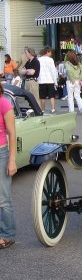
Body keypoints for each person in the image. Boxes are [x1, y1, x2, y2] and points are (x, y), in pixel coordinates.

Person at [0, 83, 17, 249]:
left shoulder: (4, 102)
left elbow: (12, 133)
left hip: (1, 154)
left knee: (3, 198)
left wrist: (12, 160)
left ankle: (7, 234)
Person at [65, 51, 82, 115]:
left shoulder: (67, 63)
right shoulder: (78, 62)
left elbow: (68, 71)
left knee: (70, 97)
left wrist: (72, 80)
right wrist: (80, 79)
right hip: (77, 81)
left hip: (70, 81)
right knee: (77, 96)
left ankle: (71, 111)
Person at [37, 46, 58, 113]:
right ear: (47, 52)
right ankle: (53, 109)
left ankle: (42, 109)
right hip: (50, 80)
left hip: (41, 80)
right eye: (50, 52)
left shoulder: (39, 59)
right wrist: (55, 81)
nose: (51, 54)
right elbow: (53, 71)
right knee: (52, 96)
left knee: (42, 97)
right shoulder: (50, 60)